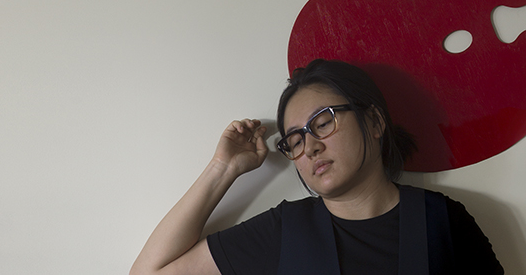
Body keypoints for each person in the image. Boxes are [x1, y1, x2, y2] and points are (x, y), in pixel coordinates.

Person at [131, 59, 504, 275]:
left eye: (323, 122)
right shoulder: (284, 230)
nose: (309, 147)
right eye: (294, 140)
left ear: (374, 122)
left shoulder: (443, 221)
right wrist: (222, 168)